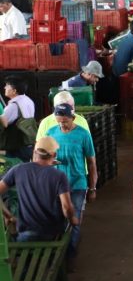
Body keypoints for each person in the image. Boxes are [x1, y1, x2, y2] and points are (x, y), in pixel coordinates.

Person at [0, 136, 79, 281]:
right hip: (52, 235)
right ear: (53, 155)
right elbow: (67, 207)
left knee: (25, 274)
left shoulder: (18, 170)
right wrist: (73, 219)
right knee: (57, 271)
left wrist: (7, 215)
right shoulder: (58, 176)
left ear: (35, 153)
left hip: (25, 235)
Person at [46, 103, 96, 266]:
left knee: (74, 221)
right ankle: (59, 255)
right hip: (56, 185)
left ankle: (70, 256)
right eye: (59, 121)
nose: (62, 125)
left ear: (73, 118)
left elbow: (91, 162)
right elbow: (44, 156)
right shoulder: (51, 133)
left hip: (77, 184)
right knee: (58, 220)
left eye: (65, 121)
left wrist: (93, 187)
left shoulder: (83, 135)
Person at [0, 76, 37, 161]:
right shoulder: (28, 100)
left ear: (14, 91)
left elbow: (3, 123)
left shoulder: (13, 106)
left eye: (7, 86)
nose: (4, 87)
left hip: (17, 146)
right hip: (29, 142)